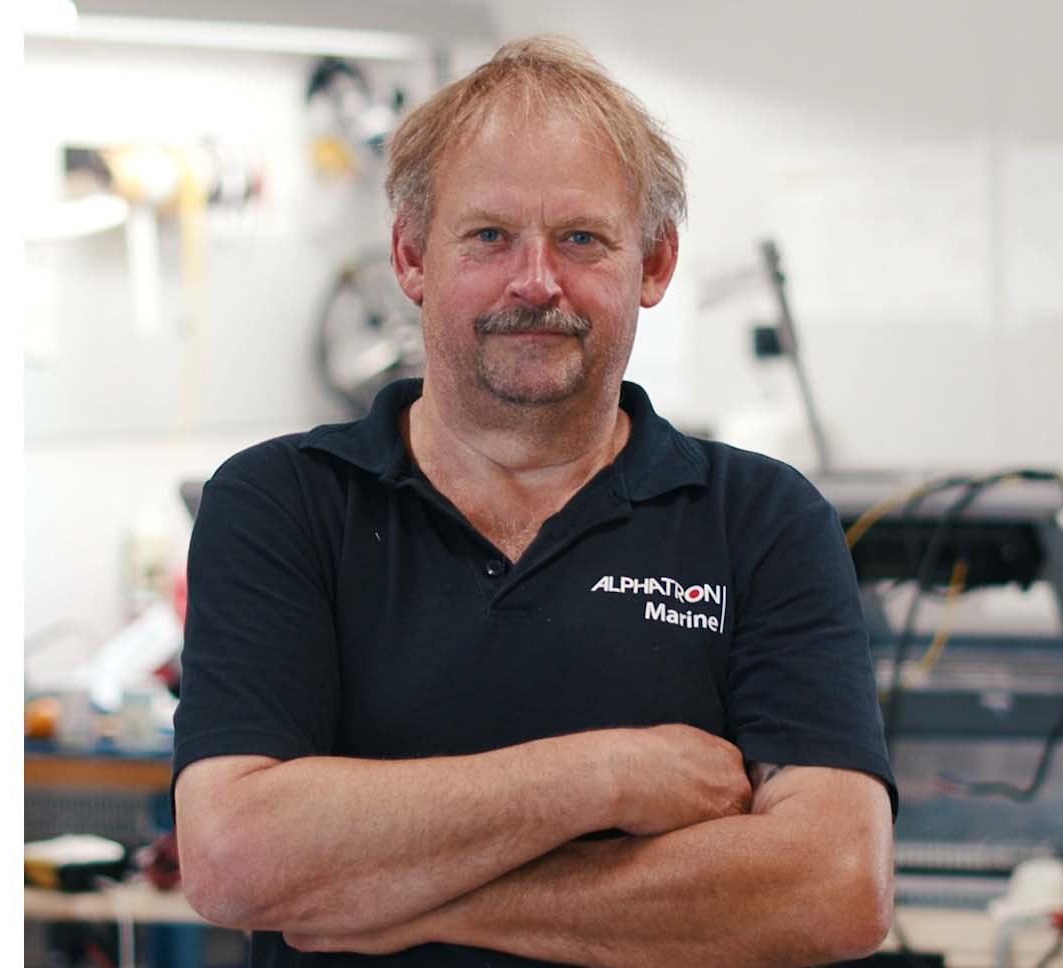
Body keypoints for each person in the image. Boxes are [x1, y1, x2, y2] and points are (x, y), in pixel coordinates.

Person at [152, 35, 892, 968]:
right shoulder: (283, 504)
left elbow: (836, 884)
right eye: (489, 237)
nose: (535, 282)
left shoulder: (763, 521)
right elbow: (234, 860)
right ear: (411, 256)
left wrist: (400, 898)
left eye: (581, 238)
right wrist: (607, 775)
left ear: (655, 263)